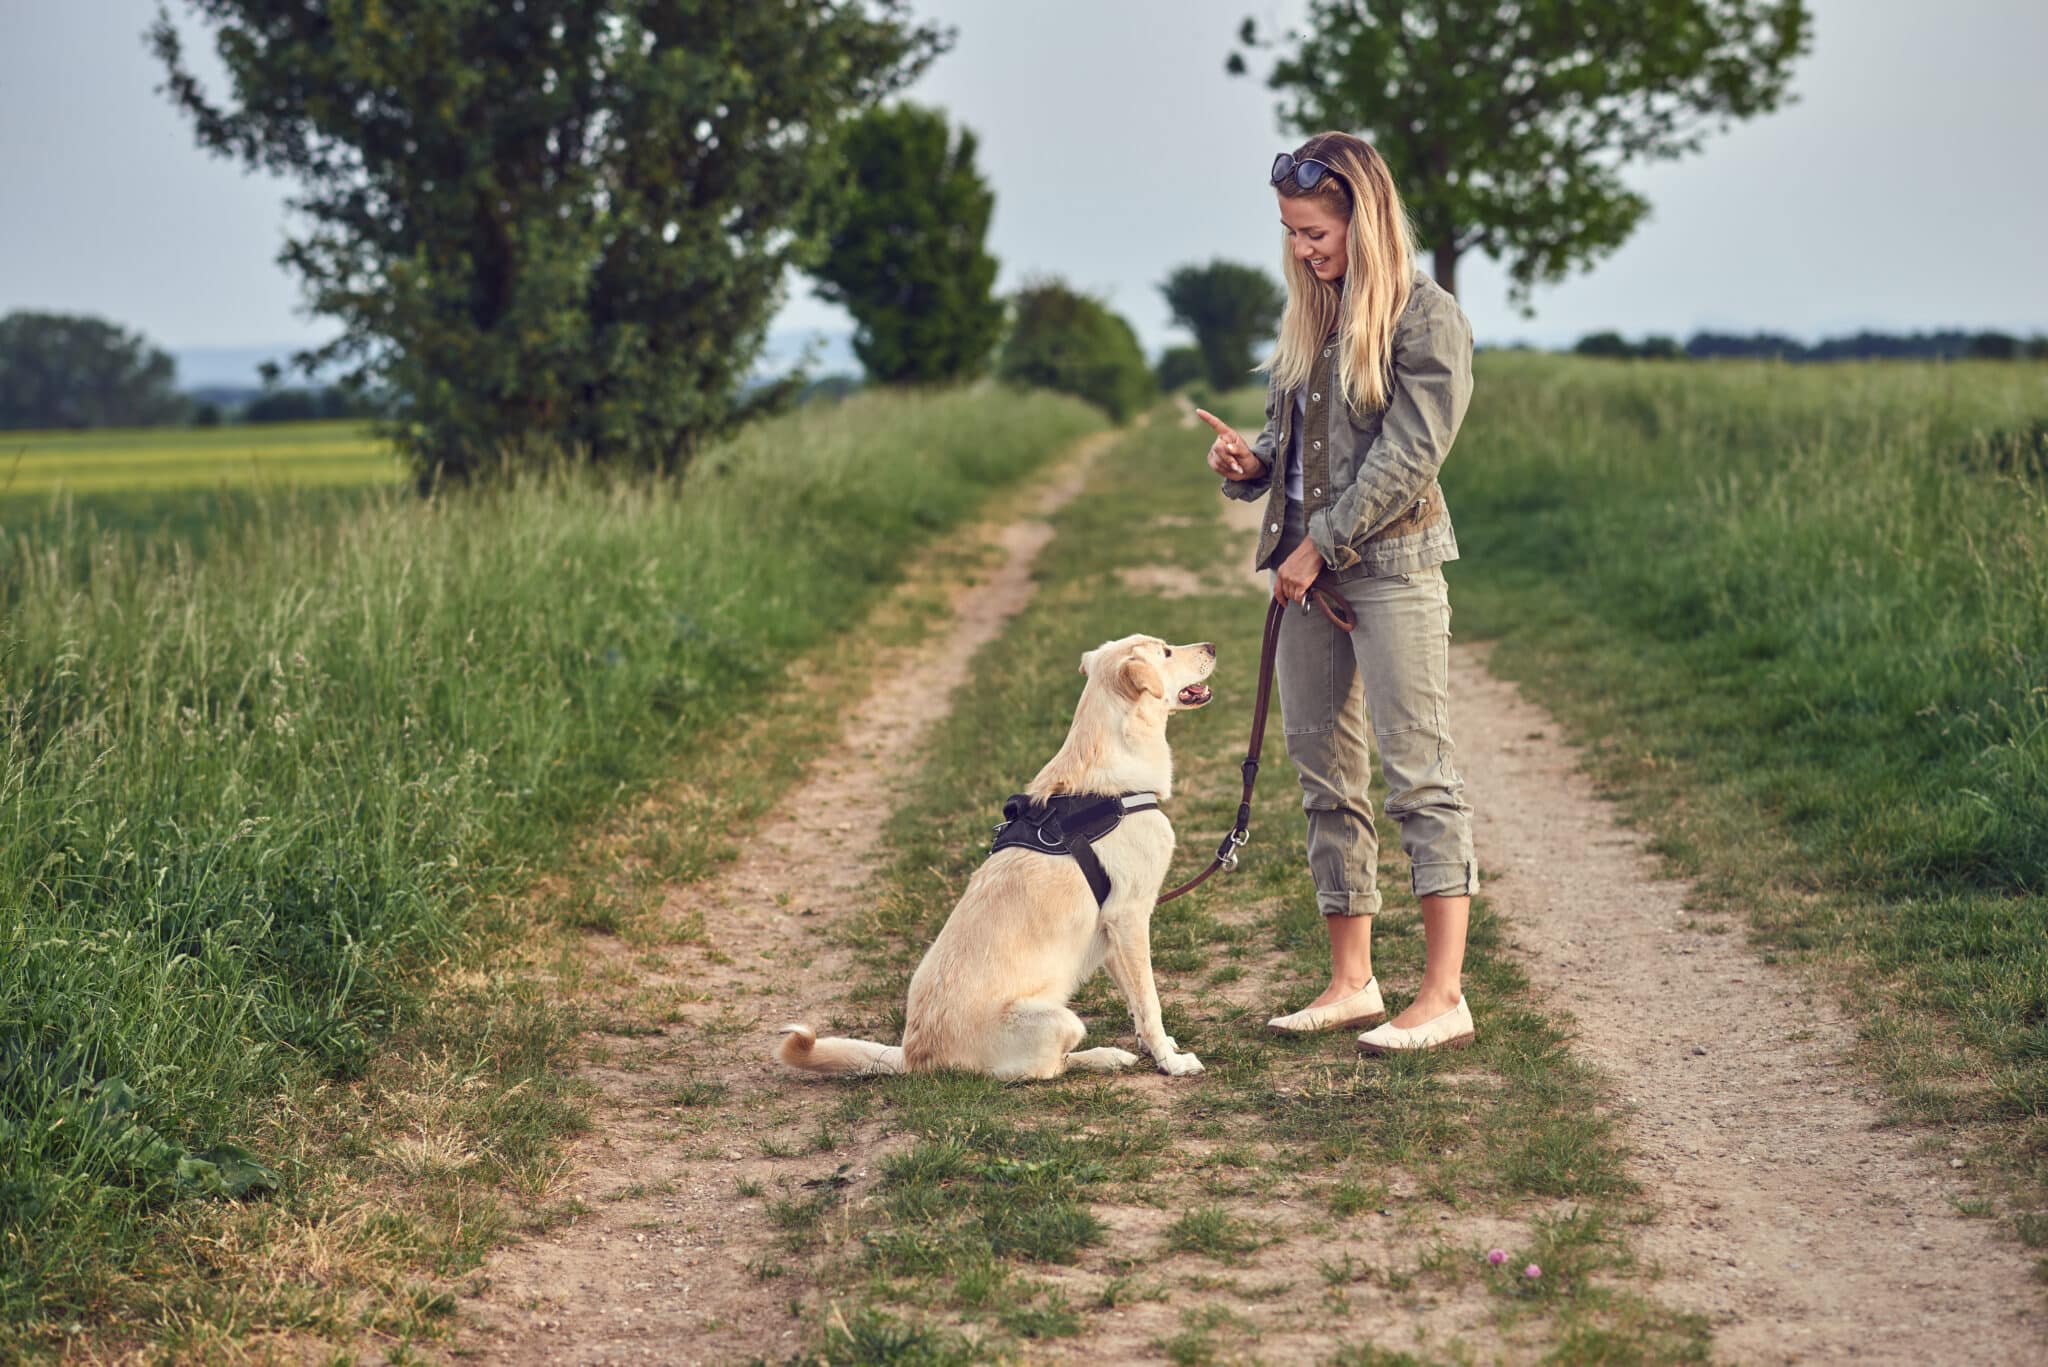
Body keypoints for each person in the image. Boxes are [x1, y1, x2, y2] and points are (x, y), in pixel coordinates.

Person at [1195, 131, 1479, 1055]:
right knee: (1324, 778)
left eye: (1316, 233)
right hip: (1309, 578)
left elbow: (1407, 458)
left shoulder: (1426, 319)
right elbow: (1302, 455)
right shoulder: (1312, 318)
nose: (1304, 251)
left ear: (1365, 214)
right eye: (1291, 233)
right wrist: (1250, 464)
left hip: (1390, 573)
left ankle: (1443, 996)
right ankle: (1353, 981)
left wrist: (1318, 545)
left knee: (1419, 776)